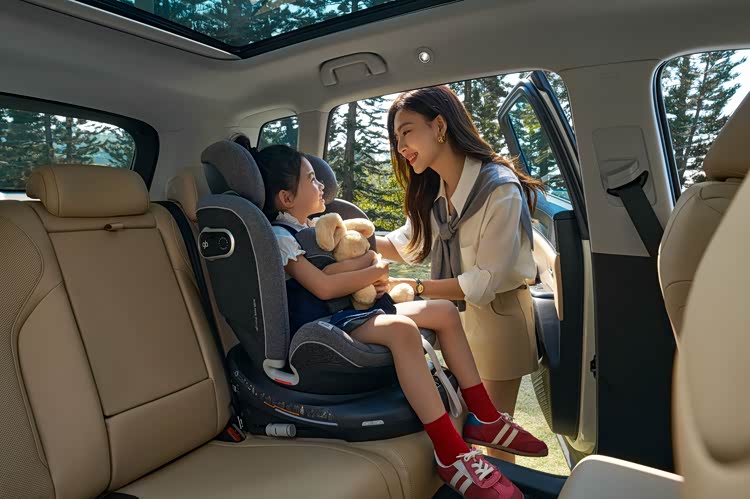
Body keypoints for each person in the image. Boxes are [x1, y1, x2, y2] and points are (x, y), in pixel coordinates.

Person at [253, 144, 546, 499]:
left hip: (351, 312)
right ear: (286, 198)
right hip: (324, 324)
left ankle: (484, 417)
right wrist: (375, 271)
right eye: (312, 180)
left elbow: (340, 268)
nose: (322, 186)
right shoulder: (281, 237)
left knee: (444, 311)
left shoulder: (318, 228)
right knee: (402, 330)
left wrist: (370, 267)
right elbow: (324, 286)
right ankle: (450, 453)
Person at [377, 86, 545, 463]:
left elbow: (483, 283)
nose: (400, 146)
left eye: (406, 132)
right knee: (465, 425)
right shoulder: (436, 189)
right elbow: (407, 243)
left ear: (439, 126)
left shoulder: (499, 188)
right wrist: (351, 237)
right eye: (396, 137)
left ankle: (504, 486)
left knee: (495, 437)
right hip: (457, 320)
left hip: (499, 317)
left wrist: (415, 286)